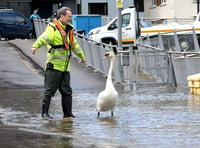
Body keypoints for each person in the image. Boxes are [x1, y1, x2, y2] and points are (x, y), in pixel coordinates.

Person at [30, 7, 86, 119]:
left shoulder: (69, 29)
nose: (71, 18)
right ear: (62, 16)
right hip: (54, 66)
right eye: (69, 16)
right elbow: (44, 38)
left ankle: (68, 114)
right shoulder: (53, 28)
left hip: (65, 67)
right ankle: (44, 114)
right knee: (49, 90)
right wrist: (35, 46)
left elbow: (74, 45)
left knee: (67, 91)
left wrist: (82, 57)